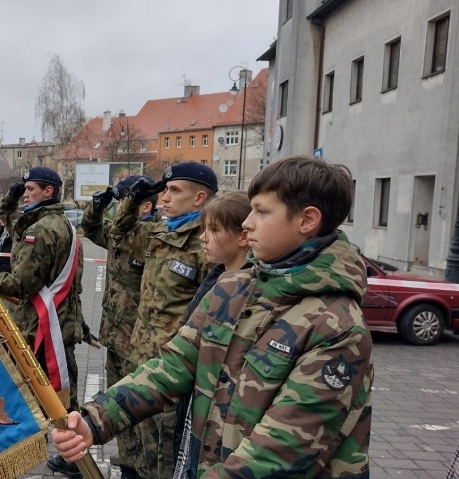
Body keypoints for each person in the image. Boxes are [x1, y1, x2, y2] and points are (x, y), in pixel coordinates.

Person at [52, 156, 374, 478]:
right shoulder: (233, 288)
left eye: (261, 211)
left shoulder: (338, 326)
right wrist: (96, 419)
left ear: (307, 220)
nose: (247, 223)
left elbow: (282, 449)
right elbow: (172, 366)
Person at [109, 162, 216, 479]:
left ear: (199, 198)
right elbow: (119, 233)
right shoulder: (159, 233)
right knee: (143, 451)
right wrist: (132, 199)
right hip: (142, 361)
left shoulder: (205, 245)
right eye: (163, 190)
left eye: (173, 191)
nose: (164, 198)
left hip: (172, 371)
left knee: (165, 460)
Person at [56, 175, 158, 479]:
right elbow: (91, 229)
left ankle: (143, 467)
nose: (120, 209)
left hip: (138, 339)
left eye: (126, 201)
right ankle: (128, 463)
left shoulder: (152, 236)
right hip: (115, 335)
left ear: (144, 204)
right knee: (119, 405)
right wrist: (97, 207)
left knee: (141, 409)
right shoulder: (121, 236)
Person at [0, 167, 83, 413]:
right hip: (62, 322)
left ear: (48, 191)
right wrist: (12, 196)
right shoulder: (64, 224)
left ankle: (49, 449)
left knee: (38, 402)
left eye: (30, 190)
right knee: (65, 398)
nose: (25, 196)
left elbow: (21, 284)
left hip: (41, 327)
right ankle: (71, 449)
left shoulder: (40, 230)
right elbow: (7, 215)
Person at [172, 190, 252, 479]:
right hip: (198, 407)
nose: (203, 237)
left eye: (214, 230)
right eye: (204, 229)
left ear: (243, 236)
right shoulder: (217, 279)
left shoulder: (249, 293)